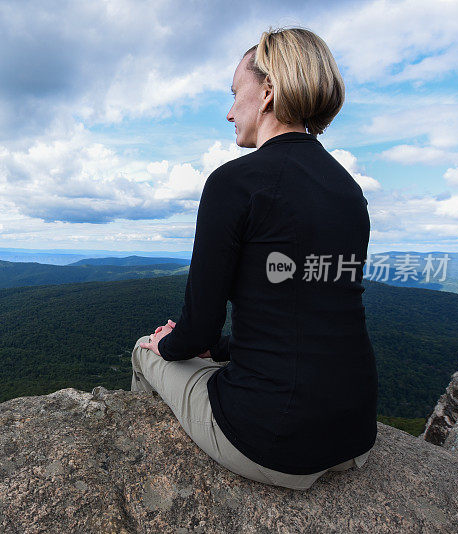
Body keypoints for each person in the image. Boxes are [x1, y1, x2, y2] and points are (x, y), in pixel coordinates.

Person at [131, 26, 377, 491]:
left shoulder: (234, 182)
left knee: (145, 350)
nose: (229, 112)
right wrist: (217, 350)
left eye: (234, 93)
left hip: (276, 441)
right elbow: (304, 307)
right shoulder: (349, 190)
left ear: (267, 93)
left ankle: (144, 462)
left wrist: (167, 343)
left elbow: (197, 327)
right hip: (356, 433)